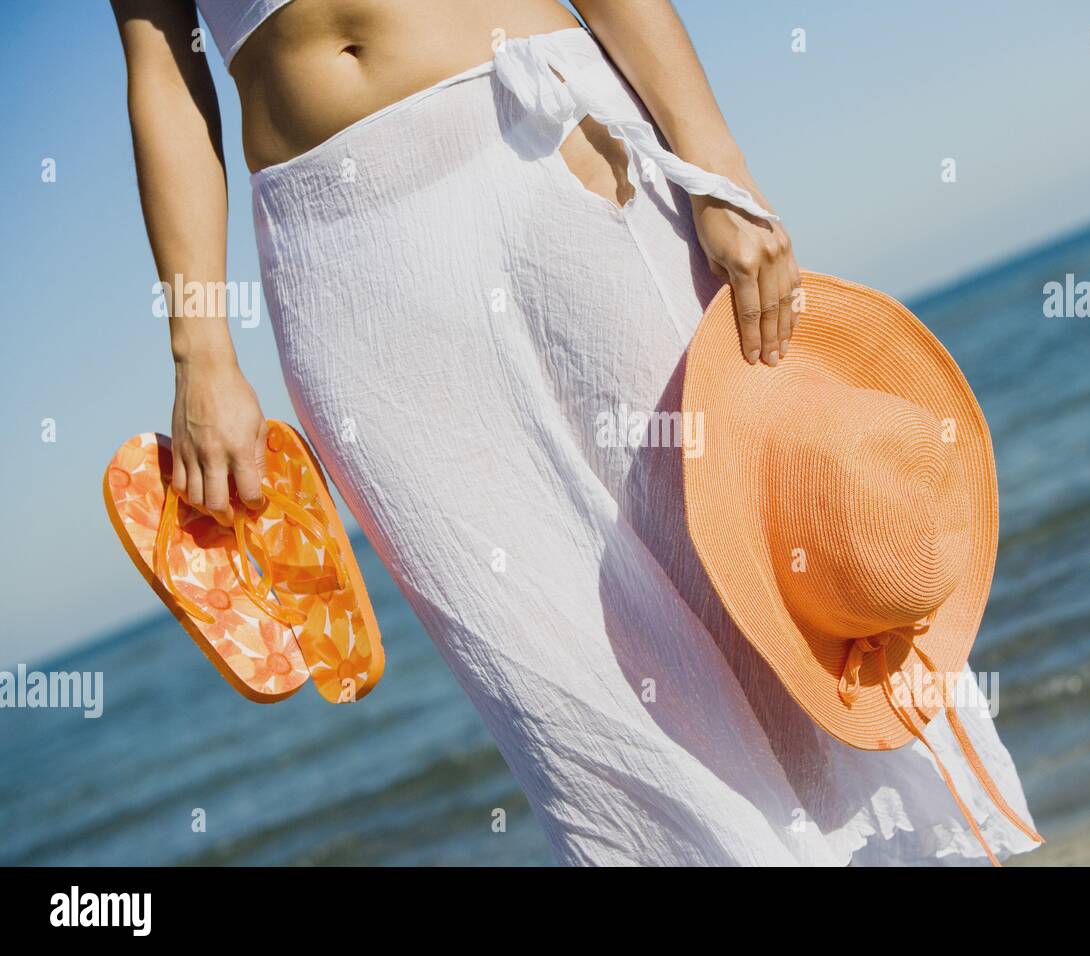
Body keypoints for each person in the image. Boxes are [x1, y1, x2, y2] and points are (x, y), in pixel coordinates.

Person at [110, 0, 1037, 865]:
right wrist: (200, 349)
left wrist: (713, 166)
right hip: (343, 263)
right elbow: (162, 63)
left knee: (753, 564)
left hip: (537, 131)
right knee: (551, 687)